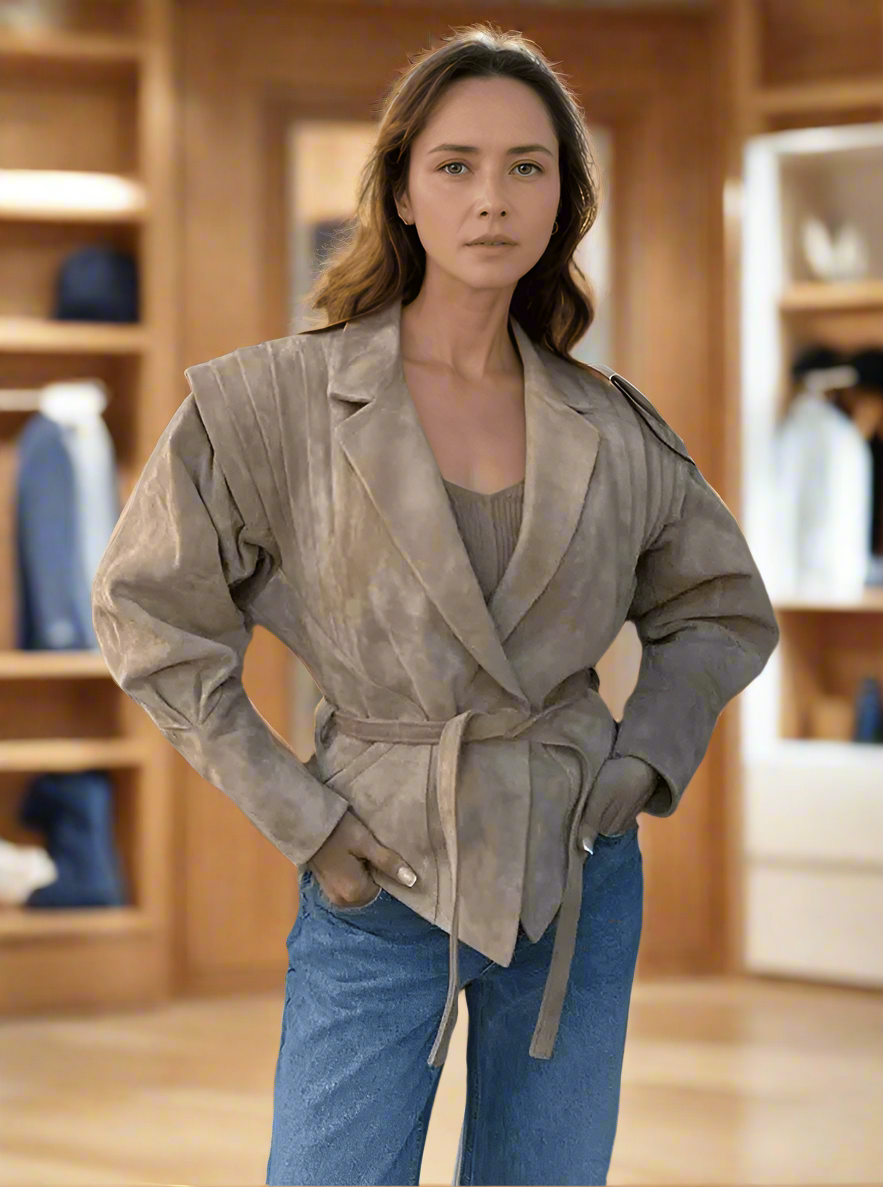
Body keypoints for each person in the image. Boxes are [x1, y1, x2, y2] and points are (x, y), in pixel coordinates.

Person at [91, 21, 780, 1187]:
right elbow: (147, 614)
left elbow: (721, 605)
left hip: (574, 865)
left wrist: (640, 761)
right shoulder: (271, 405)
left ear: (563, 199)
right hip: (379, 863)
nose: (491, 198)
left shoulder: (613, 424)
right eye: (455, 164)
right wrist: (305, 820)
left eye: (527, 166)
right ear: (402, 189)